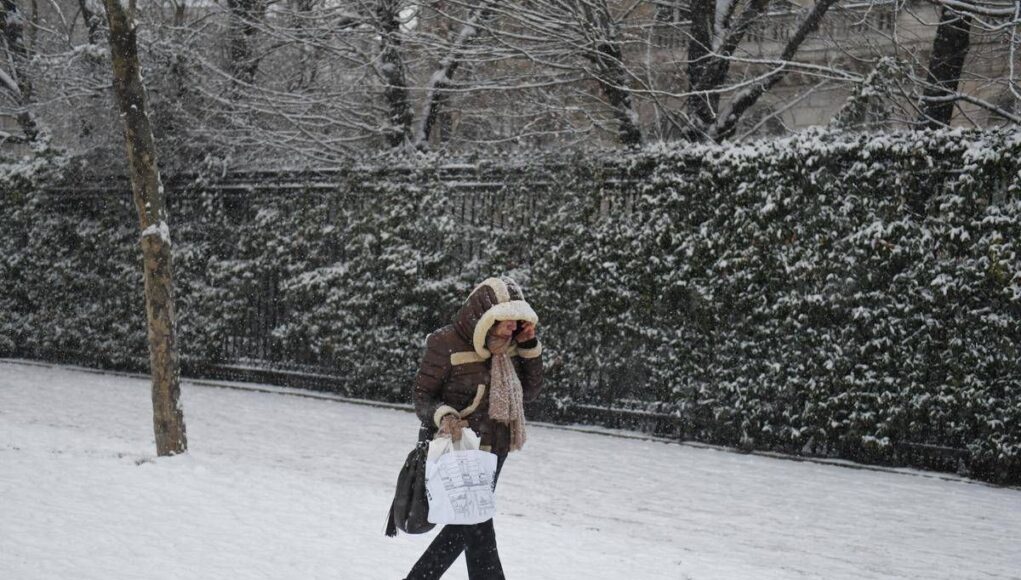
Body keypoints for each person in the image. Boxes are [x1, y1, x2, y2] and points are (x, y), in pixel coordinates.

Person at [403, 276, 544, 580]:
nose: (513, 327)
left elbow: (530, 392)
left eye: (517, 321)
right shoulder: (445, 343)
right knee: (475, 523)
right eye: (507, 320)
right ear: (486, 317)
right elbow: (422, 397)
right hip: (457, 448)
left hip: (494, 451)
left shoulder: (511, 350)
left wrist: (529, 346)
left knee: (468, 524)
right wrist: (445, 416)